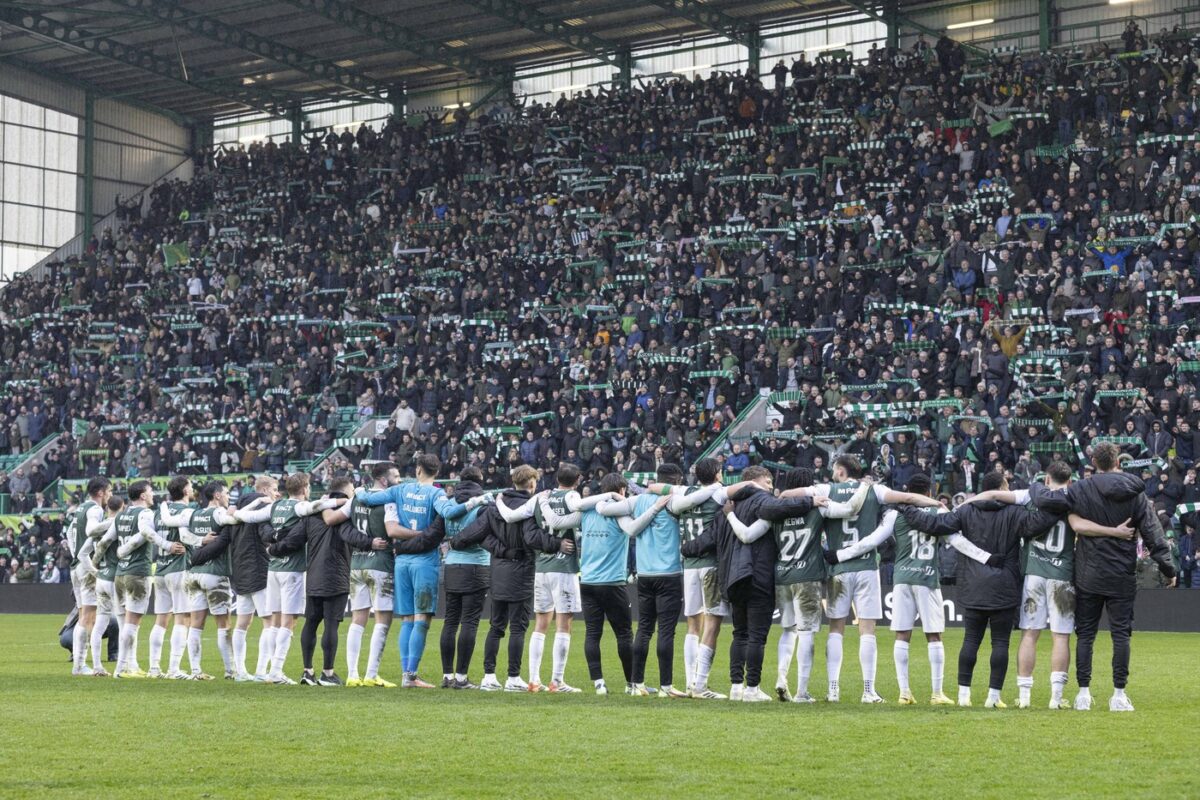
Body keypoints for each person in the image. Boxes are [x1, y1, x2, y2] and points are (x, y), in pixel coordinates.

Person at [1027, 442, 1178, 711]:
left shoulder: (1081, 489)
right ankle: (1119, 695)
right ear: (1118, 462)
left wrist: (1036, 486)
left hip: (1089, 574)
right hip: (1121, 574)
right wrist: (1169, 569)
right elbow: (1154, 534)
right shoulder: (1136, 493)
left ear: (1094, 463)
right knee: (1121, 635)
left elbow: (1047, 500)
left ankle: (1083, 694)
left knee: (1086, 635)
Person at [824, 473, 996, 705]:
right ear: (929, 492)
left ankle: (904, 693)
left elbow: (871, 541)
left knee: (902, 634)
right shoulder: (938, 512)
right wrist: (986, 557)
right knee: (934, 635)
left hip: (902, 578)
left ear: (907, 492)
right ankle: (937, 693)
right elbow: (957, 542)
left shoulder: (895, 514)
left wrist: (841, 554)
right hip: (927, 578)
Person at [785, 454, 945, 703]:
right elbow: (908, 498)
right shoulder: (875, 490)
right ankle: (868, 690)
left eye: (834, 469)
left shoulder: (826, 489)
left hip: (838, 569)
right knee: (867, 630)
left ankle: (833, 689)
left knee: (836, 628)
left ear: (840, 471)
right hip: (867, 567)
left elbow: (788, 495)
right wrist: (937, 503)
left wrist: (811, 498)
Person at [900, 471, 1061, 707]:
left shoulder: (966, 510)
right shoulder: (1015, 512)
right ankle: (993, 697)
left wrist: (907, 508)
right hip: (1004, 584)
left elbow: (935, 524)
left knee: (971, 640)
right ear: (1002, 487)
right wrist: (1060, 505)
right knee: (1001, 643)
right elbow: (1039, 523)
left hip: (973, 585)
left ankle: (964, 696)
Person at [355, 454, 489, 687]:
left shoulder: (400, 490)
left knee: (407, 619)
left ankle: (406, 675)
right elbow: (449, 513)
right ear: (436, 472)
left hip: (401, 562)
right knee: (421, 619)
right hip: (425, 561)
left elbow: (368, 498)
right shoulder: (436, 494)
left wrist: (358, 490)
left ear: (418, 470)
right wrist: (474, 502)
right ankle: (412, 675)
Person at [596, 464, 727, 698]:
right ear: (676, 481)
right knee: (666, 631)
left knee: (644, 629)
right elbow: (696, 497)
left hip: (644, 575)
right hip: (669, 574)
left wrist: (612, 496)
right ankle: (666, 687)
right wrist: (717, 485)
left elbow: (604, 510)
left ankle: (637, 684)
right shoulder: (673, 502)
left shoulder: (637, 502)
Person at [452, 465, 573, 691]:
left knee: (496, 627)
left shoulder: (494, 507)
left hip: (498, 573)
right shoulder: (529, 506)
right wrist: (557, 544)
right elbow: (532, 537)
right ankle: (513, 677)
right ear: (532, 483)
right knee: (518, 628)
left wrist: (459, 542)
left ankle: (489, 676)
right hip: (522, 572)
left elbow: (473, 534)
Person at [495, 462, 613, 693]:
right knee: (564, 624)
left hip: (541, 568)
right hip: (564, 567)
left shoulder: (540, 498)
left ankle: (533, 679)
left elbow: (509, 517)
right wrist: (608, 495)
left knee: (540, 624)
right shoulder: (572, 496)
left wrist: (499, 500)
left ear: (556, 478)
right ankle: (557, 681)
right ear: (577, 481)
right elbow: (579, 507)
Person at [268, 476, 388, 685]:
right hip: (336, 574)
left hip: (314, 574)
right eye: (352, 488)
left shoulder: (313, 514)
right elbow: (350, 535)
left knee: (311, 623)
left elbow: (293, 540)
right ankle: (328, 673)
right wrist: (371, 543)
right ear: (346, 490)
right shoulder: (345, 513)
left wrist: (273, 549)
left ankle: (307, 671)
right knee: (331, 625)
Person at [223, 473, 342, 684]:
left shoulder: (274, 507)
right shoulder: (299, 506)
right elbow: (319, 506)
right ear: (304, 489)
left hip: (273, 569)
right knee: (288, 622)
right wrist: (342, 501)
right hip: (292, 570)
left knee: (274, 623)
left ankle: (267, 671)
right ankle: (276, 671)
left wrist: (248, 506)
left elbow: (246, 517)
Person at [576, 473, 667, 695]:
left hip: (586, 581)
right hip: (612, 583)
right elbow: (633, 529)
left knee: (592, 633)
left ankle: (599, 684)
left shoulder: (587, 512)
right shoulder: (619, 512)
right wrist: (654, 509)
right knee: (624, 634)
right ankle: (631, 684)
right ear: (622, 490)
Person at [160, 482, 255, 679]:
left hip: (193, 574)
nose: (228, 497)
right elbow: (236, 519)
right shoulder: (218, 513)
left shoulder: (191, 514)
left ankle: (195, 670)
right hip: (214, 573)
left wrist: (163, 505)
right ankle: (231, 671)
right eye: (226, 493)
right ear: (217, 496)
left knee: (195, 624)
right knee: (224, 624)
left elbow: (169, 521)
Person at [188, 477, 275, 681]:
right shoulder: (257, 512)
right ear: (263, 491)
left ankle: (238, 671)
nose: (276, 493)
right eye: (274, 489)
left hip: (238, 573)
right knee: (269, 622)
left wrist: (194, 557)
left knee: (241, 623)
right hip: (257, 571)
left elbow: (218, 543)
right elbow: (266, 535)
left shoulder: (227, 518)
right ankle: (260, 671)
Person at [110, 480, 183, 679]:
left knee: (126, 623)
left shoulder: (121, 514)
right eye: (150, 491)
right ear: (142, 495)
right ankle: (121, 669)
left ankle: (130, 665)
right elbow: (145, 533)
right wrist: (166, 545)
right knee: (132, 624)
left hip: (119, 573)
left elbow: (106, 539)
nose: (153, 494)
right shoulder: (146, 514)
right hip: (138, 572)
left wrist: (104, 559)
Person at [341, 462, 403, 687]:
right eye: (396, 476)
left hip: (357, 563)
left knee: (358, 619)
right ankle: (371, 674)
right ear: (384, 480)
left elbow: (337, 520)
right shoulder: (389, 500)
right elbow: (392, 530)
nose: (399, 480)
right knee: (382, 619)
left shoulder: (356, 499)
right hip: (380, 563)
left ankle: (352, 674)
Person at [677, 458, 730, 698]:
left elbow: (660, 488)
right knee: (712, 624)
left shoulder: (686, 492)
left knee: (692, 624)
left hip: (689, 566)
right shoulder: (718, 494)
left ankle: (690, 682)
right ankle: (700, 685)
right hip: (710, 565)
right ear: (717, 473)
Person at [148, 476, 194, 679]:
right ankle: (174, 669)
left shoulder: (160, 512)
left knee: (161, 619)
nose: (192, 489)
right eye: (190, 486)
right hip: (178, 568)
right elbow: (187, 538)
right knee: (182, 618)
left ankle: (154, 668)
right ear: (184, 491)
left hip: (160, 569)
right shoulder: (187, 511)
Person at [67, 477, 112, 675]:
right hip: (87, 566)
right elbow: (91, 530)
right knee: (88, 617)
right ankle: (79, 665)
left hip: (76, 566)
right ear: (101, 492)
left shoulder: (80, 508)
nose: (110, 495)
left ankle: (79, 664)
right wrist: (113, 521)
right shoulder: (95, 509)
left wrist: (75, 554)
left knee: (83, 615)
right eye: (109, 491)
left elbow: (69, 534)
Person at [88, 495, 125, 677]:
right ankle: (124, 665)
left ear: (107, 507)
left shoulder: (98, 527)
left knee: (100, 623)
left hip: (101, 577)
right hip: (114, 577)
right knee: (124, 621)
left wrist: (94, 564)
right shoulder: (118, 524)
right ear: (122, 506)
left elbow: (84, 551)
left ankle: (97, 666)